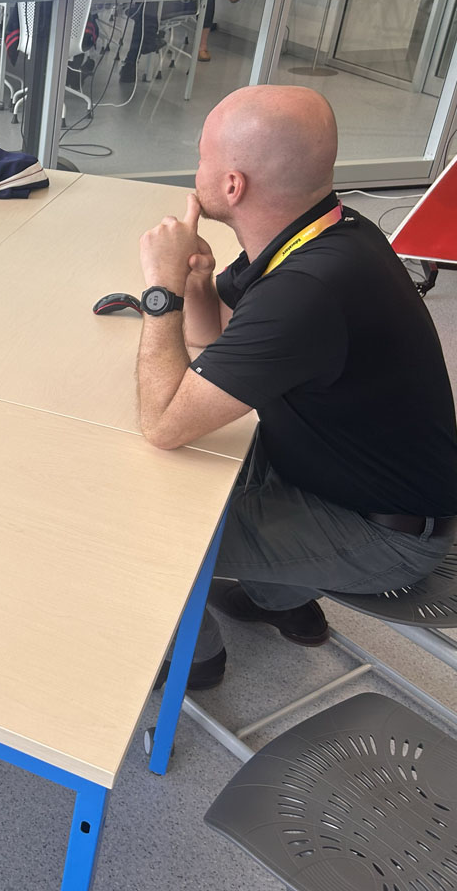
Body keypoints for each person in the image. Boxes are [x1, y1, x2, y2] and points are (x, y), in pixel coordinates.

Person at [135, 85, 457, 688]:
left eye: (202, 156)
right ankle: (280, 598)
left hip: (385, 535)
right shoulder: (325, 229)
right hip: (338, 475)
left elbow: (163, 421)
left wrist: (161, 290)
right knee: (182, 469)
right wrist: (195, 280)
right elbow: (215, 332)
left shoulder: (307, 289)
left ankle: (195, 662)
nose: (194, 168)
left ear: (233, 185)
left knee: (143, 522)